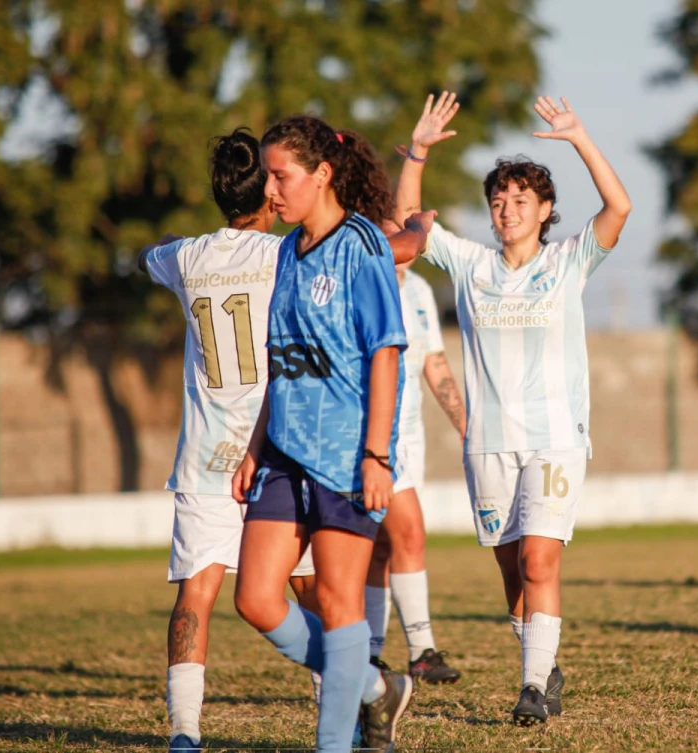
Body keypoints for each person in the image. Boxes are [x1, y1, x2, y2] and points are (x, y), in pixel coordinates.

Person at [393, 91, 631, 725]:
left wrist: (580, 138)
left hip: (555, 438)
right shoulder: (470, 265)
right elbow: (406, 224)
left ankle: (530, 690)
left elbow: (619, 207)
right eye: (498, 201)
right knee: (512, 574)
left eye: (521, 200)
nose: (507, 210)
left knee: (538, 559)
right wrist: (417, 152)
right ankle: (543, 664)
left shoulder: (567, 262)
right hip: (487, 443)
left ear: (545, 209)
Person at [231, 115, 426, 753]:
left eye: (281, 177)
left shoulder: (362, 244)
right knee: (258, 598)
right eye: (266, 178)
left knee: (341, 604)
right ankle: (372, 687)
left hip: (346, 452)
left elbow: (386, 353)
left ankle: (335, 743)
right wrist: (255, 448)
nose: (270, 191)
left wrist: (377, 455)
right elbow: (281, 359)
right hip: (284, 452)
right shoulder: (287, 250)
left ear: (322, 175)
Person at [138, 128, 288, 753]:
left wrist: (188, 240)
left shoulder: (187, 258)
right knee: (306, 586)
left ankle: (184, 732)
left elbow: (150, 253)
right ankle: (346, 702)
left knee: (196, 592)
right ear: (271, 193)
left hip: (205, 453)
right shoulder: (289, 254)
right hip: (277, 446)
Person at [364, 253, 466, 683]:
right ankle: (421, 650)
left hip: (410, 438)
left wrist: (465, 425)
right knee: (408, 533)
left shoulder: (420, 289)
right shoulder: (364, 282)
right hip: (373, 436)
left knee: (383, 547)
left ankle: (368, 653)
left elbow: (435, 363)